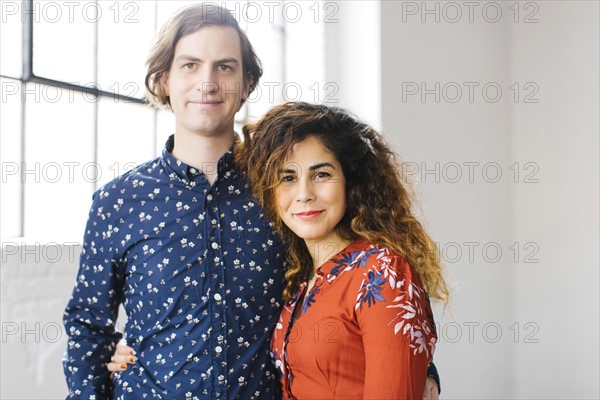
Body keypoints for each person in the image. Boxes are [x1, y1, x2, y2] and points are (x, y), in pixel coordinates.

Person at [66, 3, 440, 399]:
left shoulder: (282, 189)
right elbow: (88, 326)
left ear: (247, 85)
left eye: (225, 67)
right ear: (163, 81)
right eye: (190, 65)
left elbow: (351, 275)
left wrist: (423, 373)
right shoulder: (118, 202)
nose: (208, 82)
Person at [239, 101, 449, 399]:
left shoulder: (382, 272)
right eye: (288, 178)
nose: (304, 194)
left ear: (350, 180)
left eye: (321, 174)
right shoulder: (298, 280)